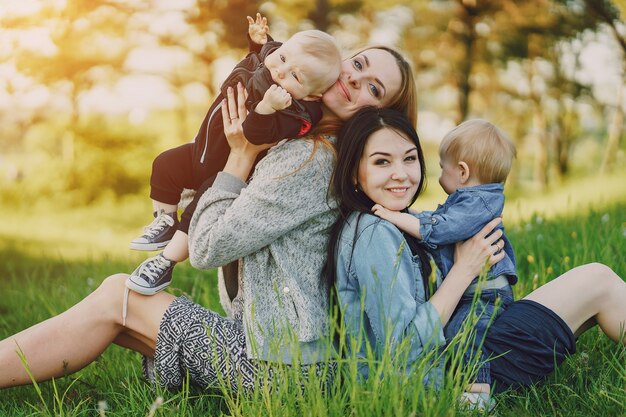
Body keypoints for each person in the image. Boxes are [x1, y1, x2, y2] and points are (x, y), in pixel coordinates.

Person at [0, 45, 417, 391]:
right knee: (122, 306)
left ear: (379, 113)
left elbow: (206, 249)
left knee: (116, 296)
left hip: (283, 370)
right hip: (288, 353)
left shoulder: (309, 160)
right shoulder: (304, 139)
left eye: (373, 88)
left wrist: (240, 155)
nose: (354, 81)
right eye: (358, 65)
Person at [328, 106, 626, 409]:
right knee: (597, 282)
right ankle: (476, 399)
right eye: (381, 162)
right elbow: (404, 348)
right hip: (440, 376)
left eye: (409, 158)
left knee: (594, 280)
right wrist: (465, 269)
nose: (401, 174)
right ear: (354, 170)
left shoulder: (385, 222)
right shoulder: (373, 233)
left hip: (448, 357)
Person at [126, 13, 342, 295]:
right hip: (202, 149)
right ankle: (165, 220)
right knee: (165, 164)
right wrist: (257, 42)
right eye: (284, 58)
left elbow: (254, 135)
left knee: (197, 209)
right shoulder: (273, 60)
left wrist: (266, 107)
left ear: (312, 96)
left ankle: (165, 262)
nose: (281, 71)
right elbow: (263, 57)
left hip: (222, 169)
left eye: (296, 77)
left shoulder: (296, 112)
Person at [370, 119, 518, 398]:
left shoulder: (478, 203)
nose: (438, 174)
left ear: (462, 171)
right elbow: (441, 221)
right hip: (474, 290)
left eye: (442, 168)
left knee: (466, 333)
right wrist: (411, 217)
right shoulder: (472, 200)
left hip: (485, 295)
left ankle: (477, 395)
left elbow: (441, 228)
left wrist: (395, 216)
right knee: (454, 331)